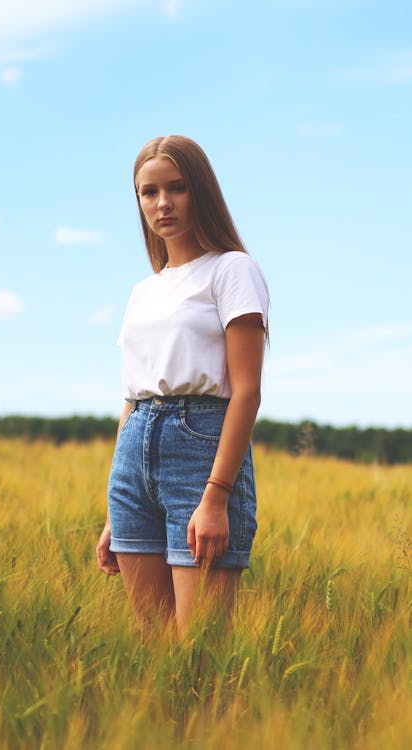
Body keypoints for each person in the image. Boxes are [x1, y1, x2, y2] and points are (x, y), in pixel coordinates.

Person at [96, 135, 269, 638]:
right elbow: (133, 398)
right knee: (155, 654)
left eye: (176, 188)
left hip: (201, 450)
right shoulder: (143, 291)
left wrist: (216, 495)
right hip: (133, 456)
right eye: (148, 193)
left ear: (202, 192)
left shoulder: (232, 270)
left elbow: (247, 392)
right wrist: (116, 508)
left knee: (203, 652)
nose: (162, 203)